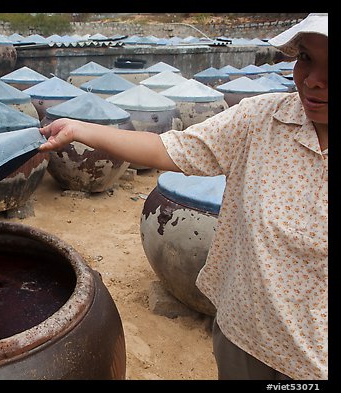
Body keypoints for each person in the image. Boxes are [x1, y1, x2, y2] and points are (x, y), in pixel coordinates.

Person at [38, 13, 327, 380]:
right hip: (245, 338)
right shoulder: (262, 120)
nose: (314, 82)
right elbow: (167, 148)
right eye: (307, 58)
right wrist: (80, 129)